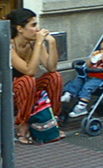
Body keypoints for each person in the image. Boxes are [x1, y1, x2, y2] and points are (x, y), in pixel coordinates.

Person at [7, 8, 64, 144]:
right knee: (27, 81)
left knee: (54, 77)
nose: (37, 29)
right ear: (20, 29)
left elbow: (51, 67)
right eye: (33, 25)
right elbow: (29, 71)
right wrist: (39, 43)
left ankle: (52, 121)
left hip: (29, 88)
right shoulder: (8, 46)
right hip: (10, 91)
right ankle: (22, 126)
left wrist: (52, 43)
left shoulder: (33, 43)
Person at [61, 37, 103, 118]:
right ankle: (69, 94)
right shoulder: (98, 60)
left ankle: (81, 107)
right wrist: (91, 59)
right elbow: (87, 66)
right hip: (89, 76)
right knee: (78, 80)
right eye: (102, 49)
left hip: (100, 80)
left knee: (87, 87)